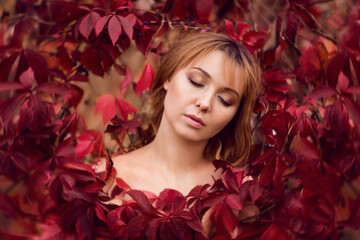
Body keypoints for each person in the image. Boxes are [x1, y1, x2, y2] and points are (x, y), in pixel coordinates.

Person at [107, 32, 262, 197]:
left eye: (225, 100)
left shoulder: (236, 189)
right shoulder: (106, 177)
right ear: (168, 77)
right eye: (196, 81)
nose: (205, 103)